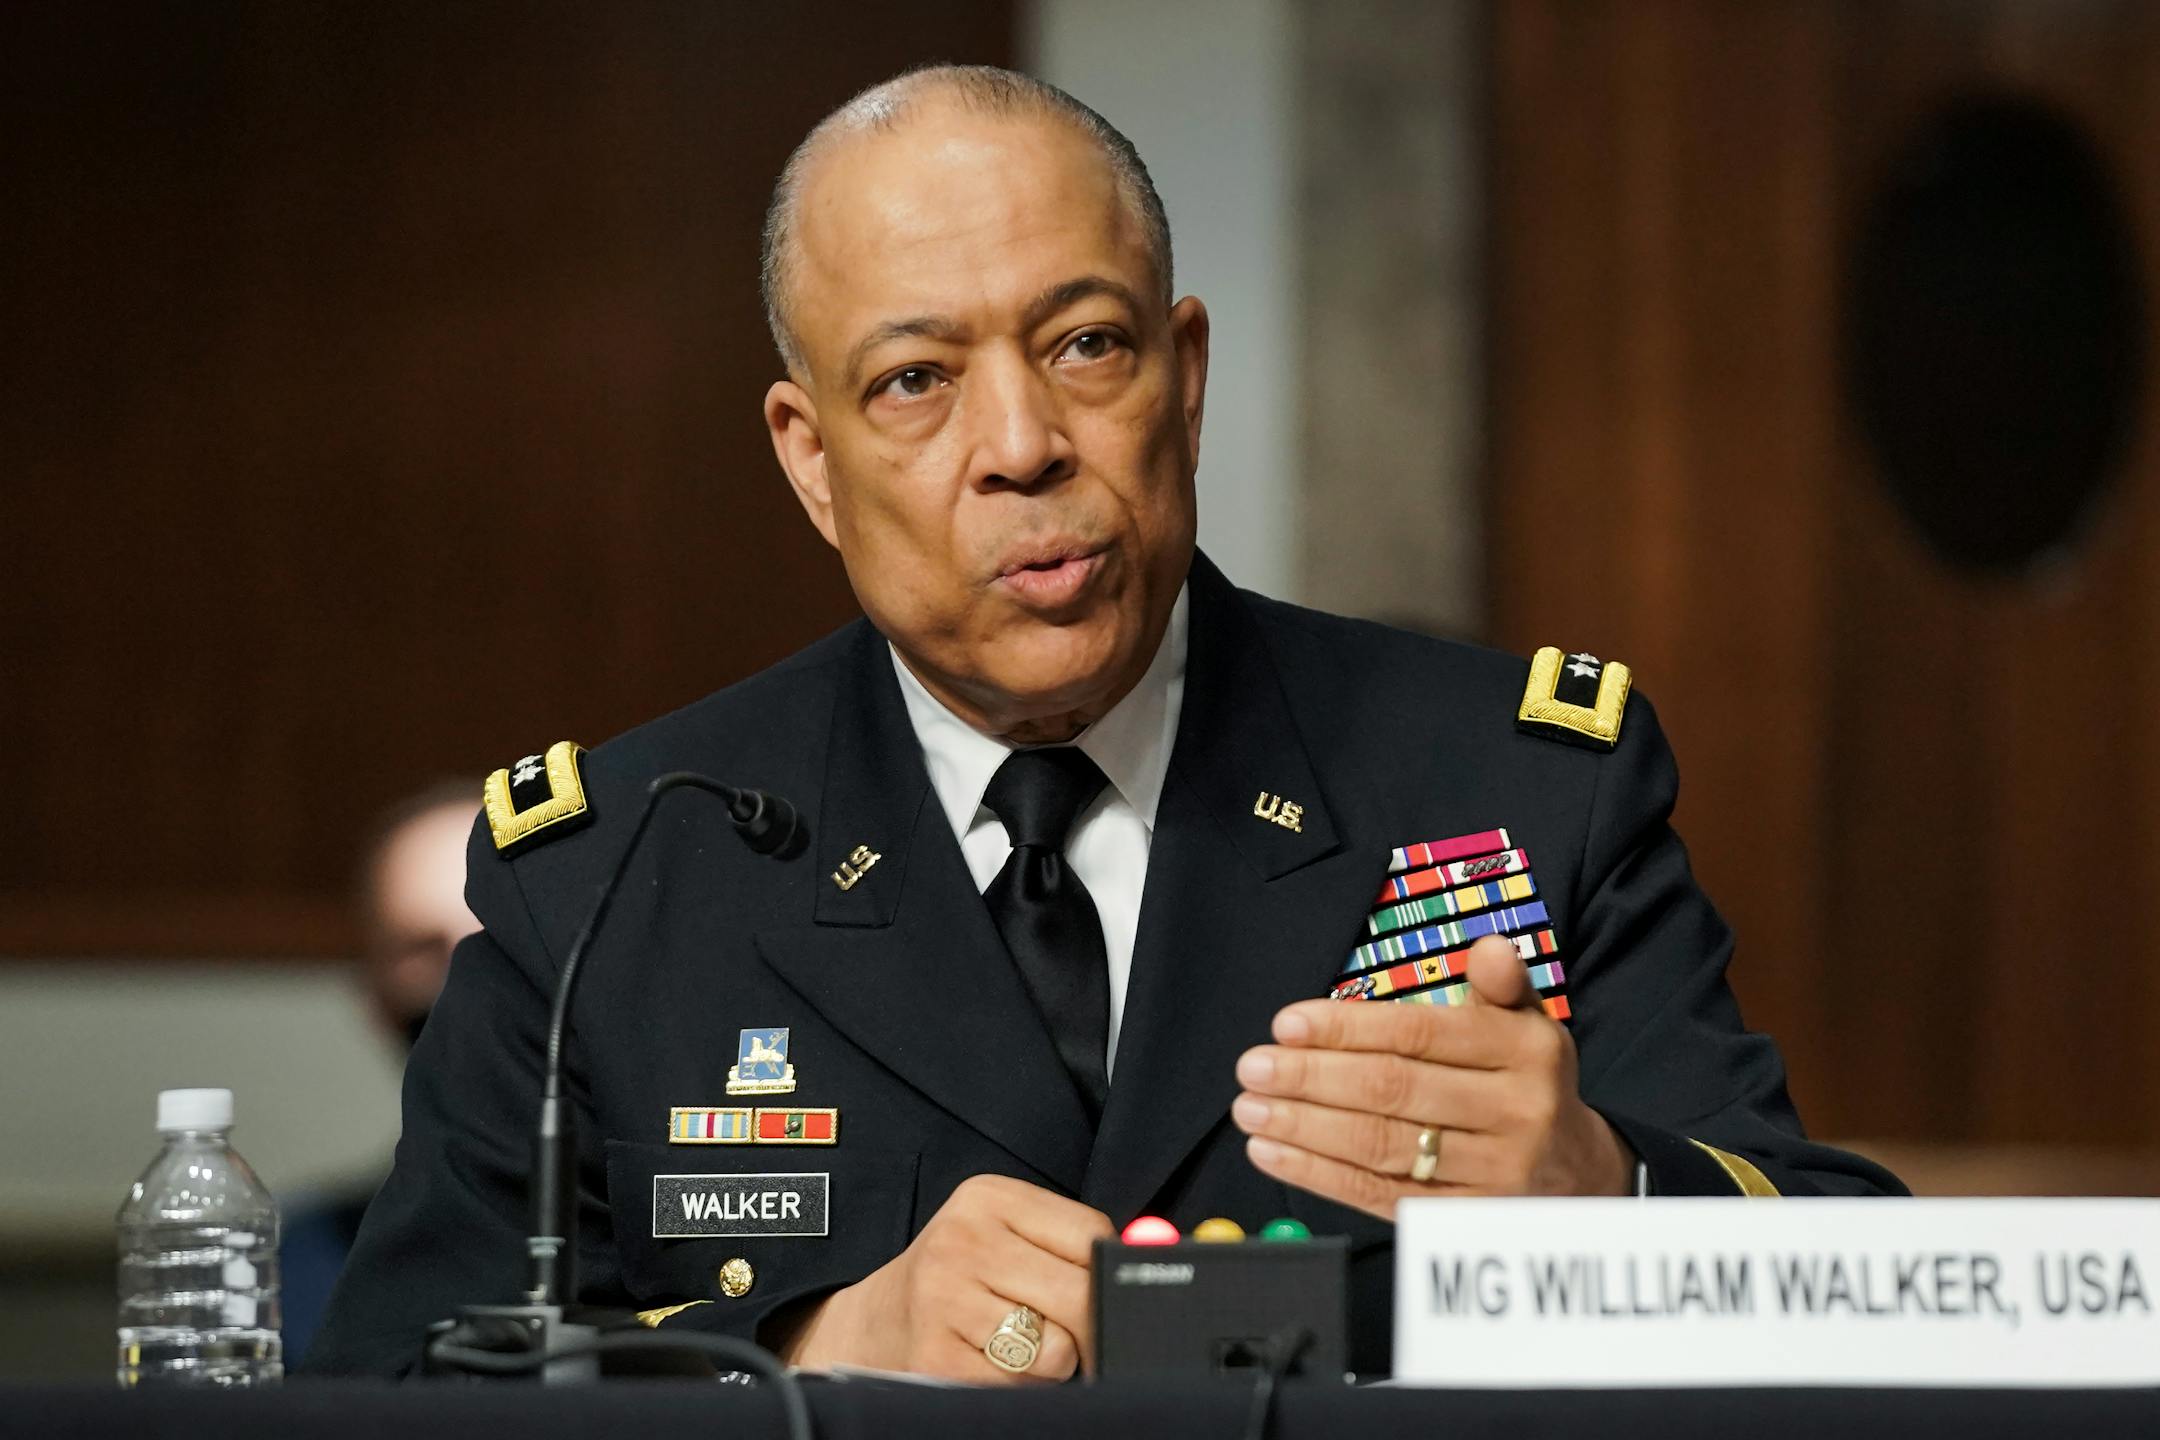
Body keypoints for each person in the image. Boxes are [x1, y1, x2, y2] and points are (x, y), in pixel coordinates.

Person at [306, 65, 1901, 1382]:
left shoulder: (1512, 784)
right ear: (809, 457)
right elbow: (395, 1387)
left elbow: (1871, 1305)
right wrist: (800, 1347)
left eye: (1086, 345)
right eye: (916, 380)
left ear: (1184, 379)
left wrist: (1610, 1198)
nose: (1022, 443)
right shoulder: (612, 877)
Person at [281, 782, 481, 1365]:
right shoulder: (309, 1264)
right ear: (374, 997)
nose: (465, 978)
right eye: (423, 950)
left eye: (497, 939)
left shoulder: (679, 1235)